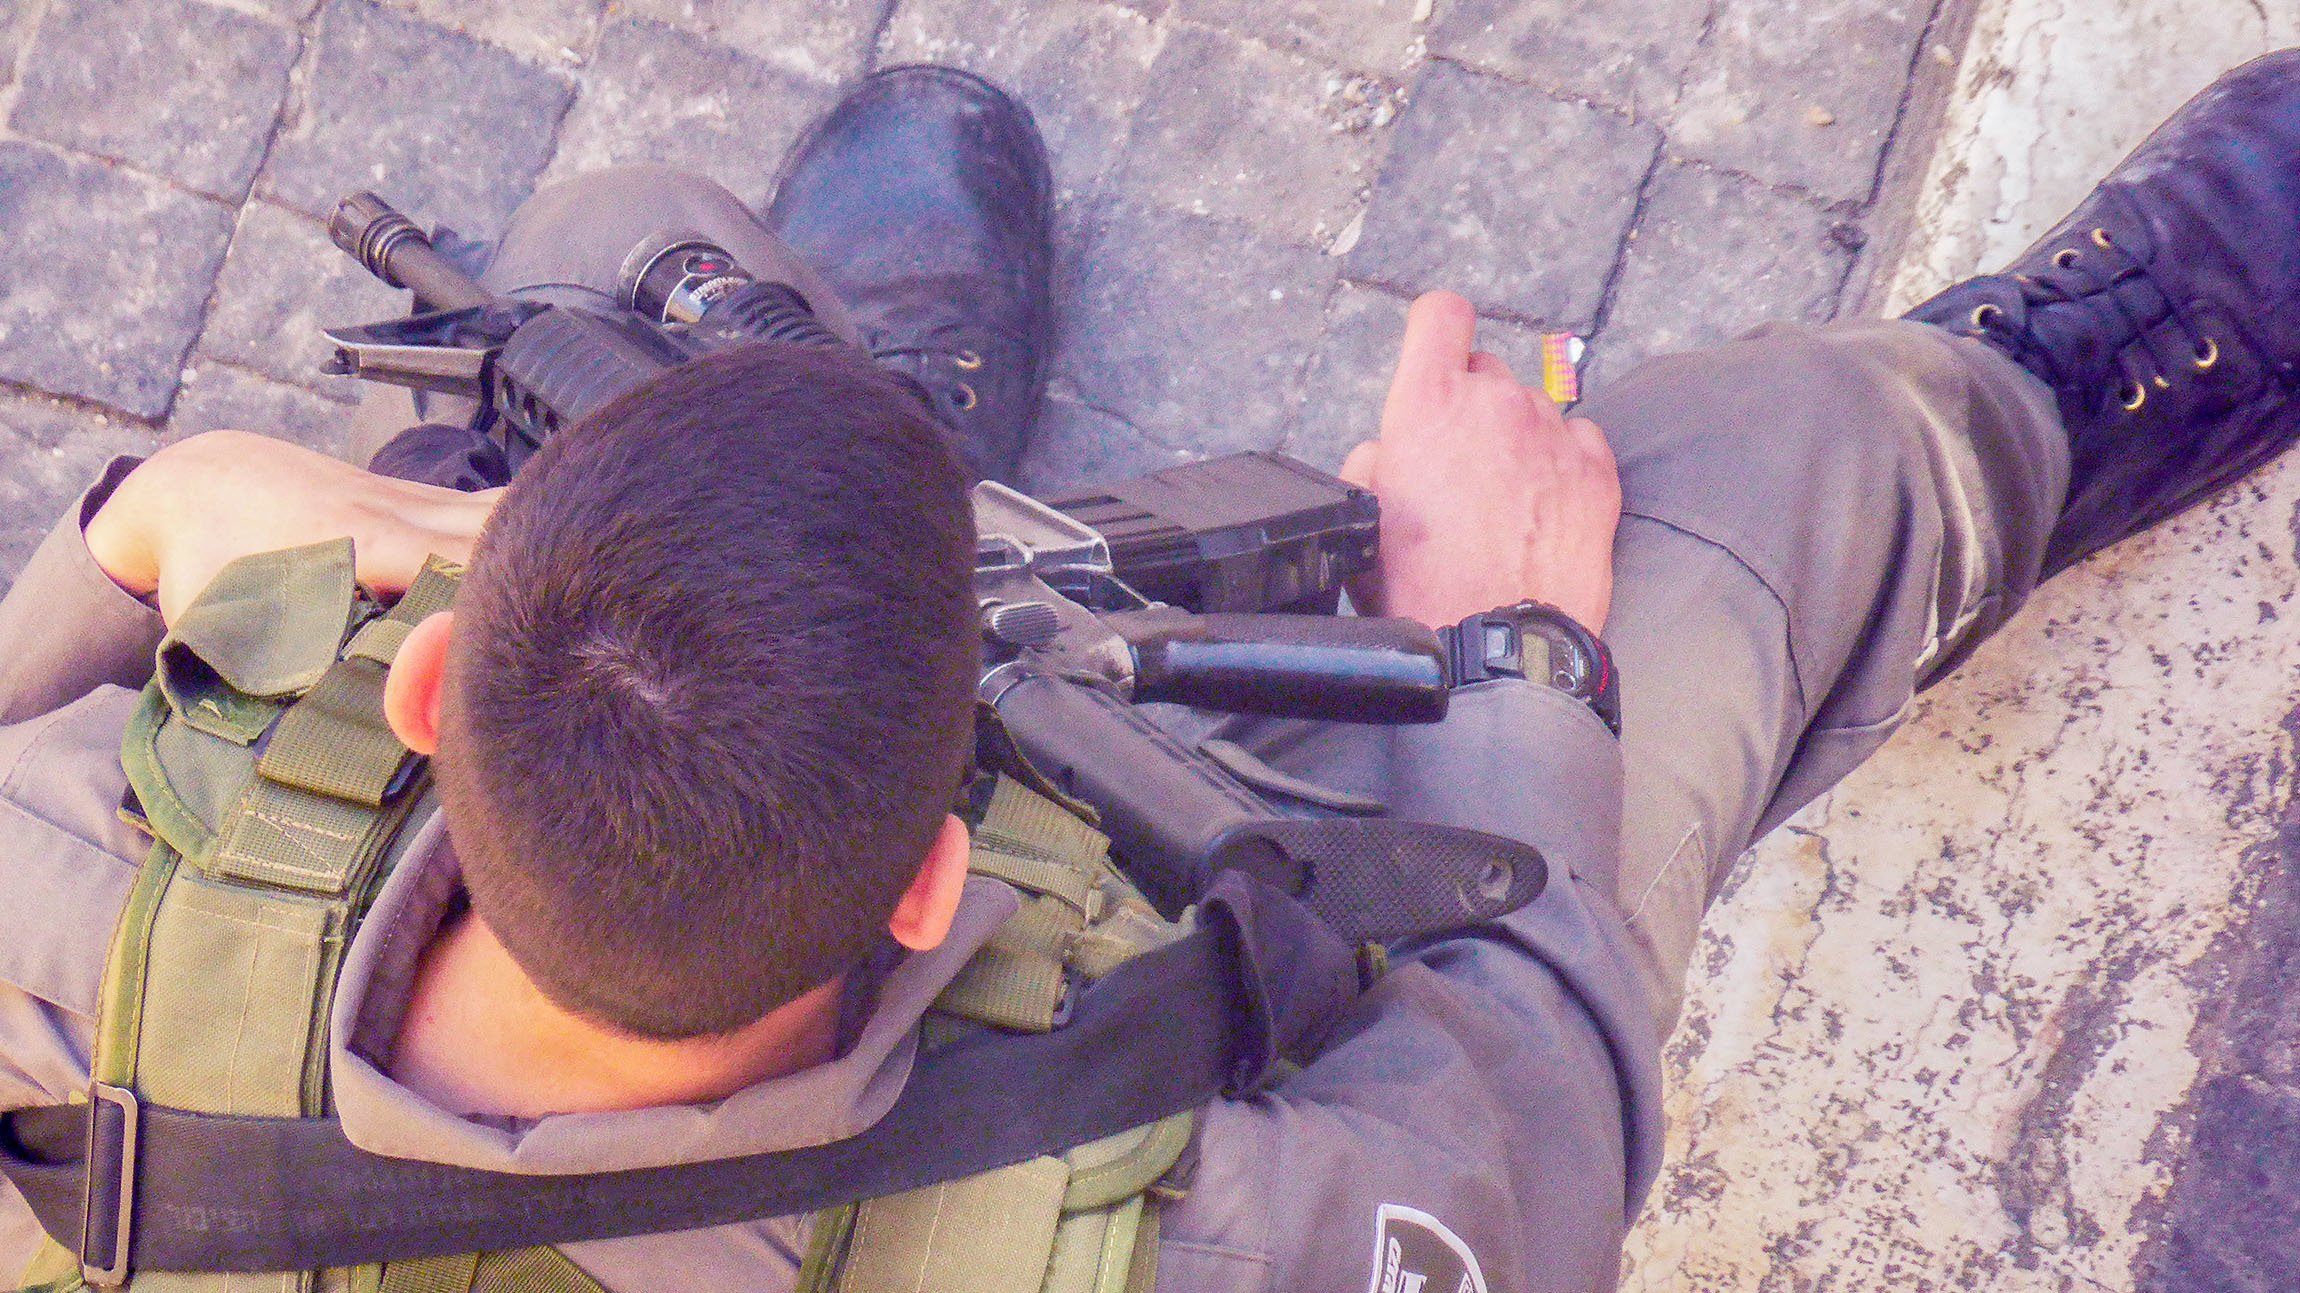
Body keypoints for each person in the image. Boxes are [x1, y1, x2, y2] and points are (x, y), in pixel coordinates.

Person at [2, 48, 2296, 1293]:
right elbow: (1548, 1096)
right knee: (1738, 499)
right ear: (932, 880)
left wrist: (144, 522)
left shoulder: (46, 906)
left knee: (628, 257)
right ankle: (2078, 385)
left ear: (429, 696)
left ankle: (858, 472)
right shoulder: (1214, 1250)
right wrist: (1516, 643)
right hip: (1220, 894)